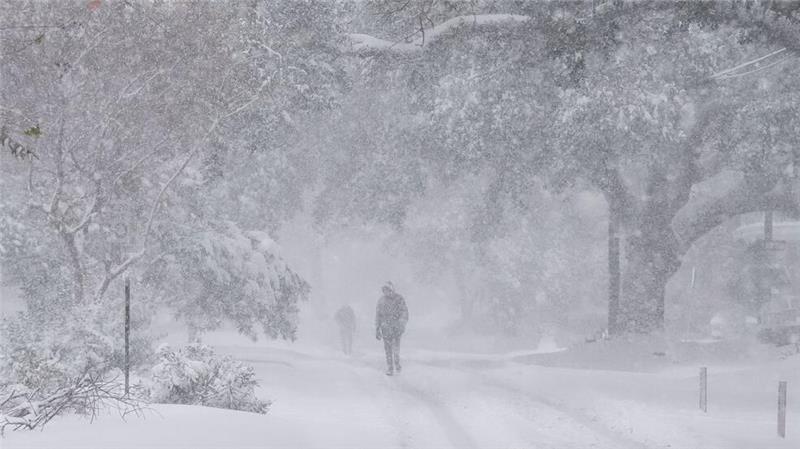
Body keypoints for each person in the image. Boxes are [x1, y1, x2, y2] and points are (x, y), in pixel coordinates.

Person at [375, 282, 408, 376]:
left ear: (391, 290)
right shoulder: (381, 301)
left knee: (396, 348)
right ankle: (390, 367)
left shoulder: (399, 299)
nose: (386, 292)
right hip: (385, 328)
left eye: (387, 290)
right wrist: (377, 329)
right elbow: (378, 316)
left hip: (396, 328)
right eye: (384, 290)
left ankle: (397, 363)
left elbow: (404, 312)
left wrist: (401, 323)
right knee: (387, 349)